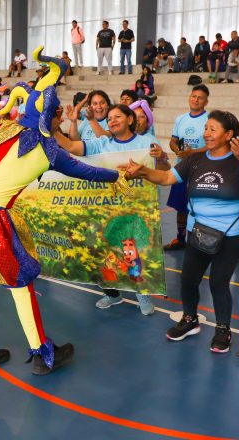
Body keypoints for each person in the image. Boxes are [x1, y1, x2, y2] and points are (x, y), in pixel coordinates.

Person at [0, 47, 128, 374]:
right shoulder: (49, 151)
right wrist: (116, 176)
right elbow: (87, 171)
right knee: (20, 283)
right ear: (50, 118)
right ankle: (40, 353)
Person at [122, 110, 239, 353]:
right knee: (188, 279)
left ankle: (223, 330)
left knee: (219, 283)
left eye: (213, 129)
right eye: (206, 128)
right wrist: (143, 171)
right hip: (198, 231)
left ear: (229, 134)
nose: (206, 133)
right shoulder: (196, 160)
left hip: (230, 235)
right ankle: (190, 320)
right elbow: (168, 177)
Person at [53, 103, 168, 316]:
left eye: (118, 117)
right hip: (106, 207)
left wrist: (161, 158)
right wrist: (52, 130)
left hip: (136, 208)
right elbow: (70, 147)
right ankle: (113, 294)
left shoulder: (147, 142)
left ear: (130, 120)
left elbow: (164, 171)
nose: (112, 121)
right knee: (103, 251)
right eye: (110, 118)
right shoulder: (102, 143)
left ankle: (141, 292)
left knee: (133, 251)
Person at [165, 85, 210, 250]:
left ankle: (200, 241)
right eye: (193, 96)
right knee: (181, 207)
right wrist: (177, 150)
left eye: (200, 97)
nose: (196, 99)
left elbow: (214, 145)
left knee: (200, 207)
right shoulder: (181, 119)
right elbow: (173, 140)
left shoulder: (210, 119)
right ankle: (180, 238)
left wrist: (193, 152)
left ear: (206, 101)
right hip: (181, 169)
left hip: (202, 170)